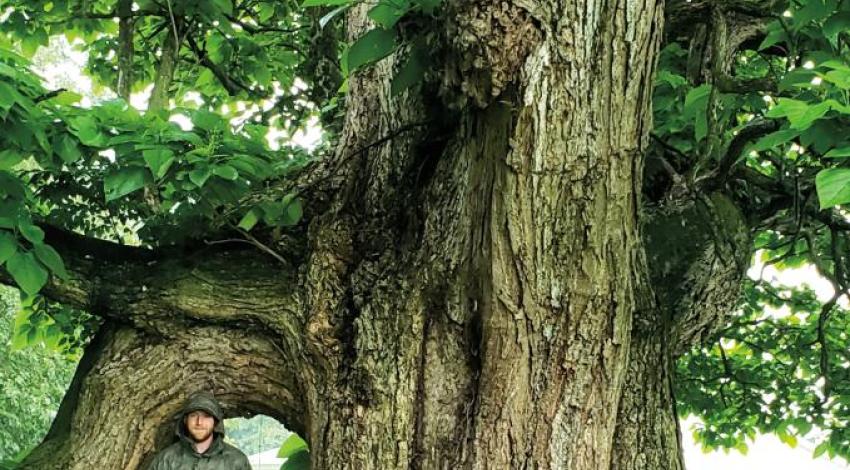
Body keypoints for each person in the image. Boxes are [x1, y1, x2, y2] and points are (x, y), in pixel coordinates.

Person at [148, 391, 251, 470]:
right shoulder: (166, 460)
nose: (199, 422)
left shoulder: (237, 462)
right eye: (193, 416)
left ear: (215, 422)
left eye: (206, 416)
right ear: (185, 420)